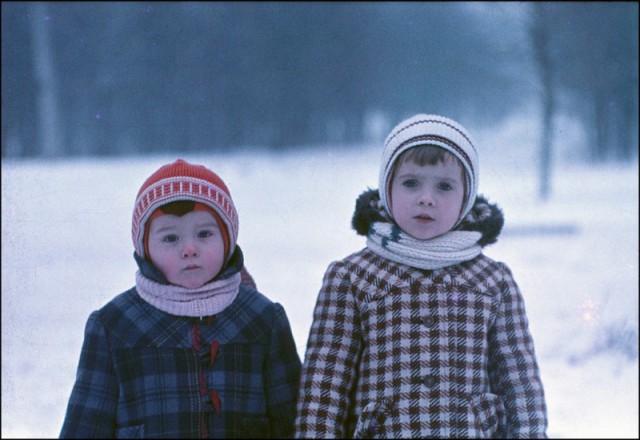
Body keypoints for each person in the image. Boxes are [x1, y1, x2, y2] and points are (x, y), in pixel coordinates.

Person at [294, 114, 548, 438]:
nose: (426, 198)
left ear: (466, 197)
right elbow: (324, 387)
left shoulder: (493, 281)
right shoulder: (350, 278)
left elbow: (520, 380)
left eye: (444, 186)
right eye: (411, 183)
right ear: (388, 188)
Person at [60, 159, 301, 438]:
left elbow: (294, 422)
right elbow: (85, 427)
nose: (189, 249)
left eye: (204, 234)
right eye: (170, 238)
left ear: (228, 238)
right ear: (144, 248)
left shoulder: (263, 319)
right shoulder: (114, 325)